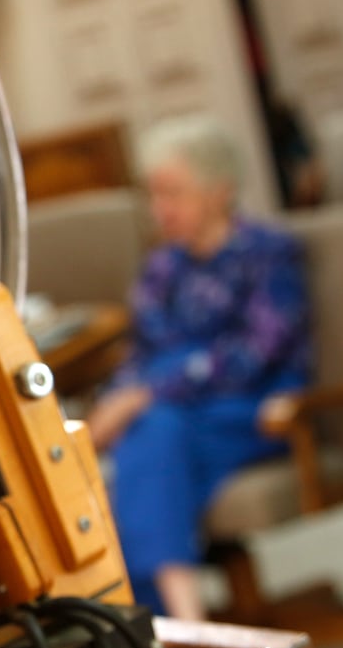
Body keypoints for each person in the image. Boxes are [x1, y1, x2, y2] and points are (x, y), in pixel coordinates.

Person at [88, 115, 312, 620]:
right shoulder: (162, 268)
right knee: (153, 442)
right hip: (174, 417)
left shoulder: (267, 254)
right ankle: (182, 614)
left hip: (254, 408)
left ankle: (172, 623)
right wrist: (114, 403)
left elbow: (258, 353)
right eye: (153, 195)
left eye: (173, 193)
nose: (159, 209)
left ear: (219, 191)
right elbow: (139, 354)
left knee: (150, 436)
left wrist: (144, 397)